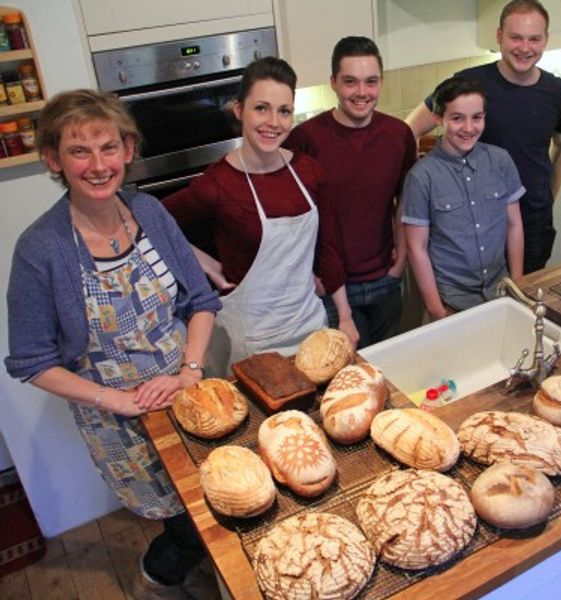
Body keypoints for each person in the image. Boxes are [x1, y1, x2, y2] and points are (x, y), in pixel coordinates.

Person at [4, 89, 221, 598]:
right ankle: (158, 581)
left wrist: (189, 371)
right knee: (185, 525)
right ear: (53, 159)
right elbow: (31, 362)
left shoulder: (149, 212)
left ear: (127, 149)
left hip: (189, 394)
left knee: (211, 502)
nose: (98, 165)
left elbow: (202, 302)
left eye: (109, 147)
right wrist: (116, 399)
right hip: (119, 420)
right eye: (80, 151)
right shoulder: (41, 249)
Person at [163, 57, 358, 374]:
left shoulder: (308, 171)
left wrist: (345, 317)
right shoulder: (218, 183)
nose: (274, 122)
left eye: (284, 111)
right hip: (249, 344)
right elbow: (148, 220)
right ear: (239, 110)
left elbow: (328, 249)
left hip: (311, 331)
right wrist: (201, 261)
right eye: (261, 108)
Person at [405, 0, 561, 274]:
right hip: (471, 230)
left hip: (532, 224)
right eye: (515, 37)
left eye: (534, 39)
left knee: (522, 306)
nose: (525, 48)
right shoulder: (469, 83)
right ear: (499, 36)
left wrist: (549, 193)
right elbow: (408, 129)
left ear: (546, 40)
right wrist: (417, 188)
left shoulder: (557, 91)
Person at [284, 37, 416, 349]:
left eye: (371, 82)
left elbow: (405, 203)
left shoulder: (398, 135)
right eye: (350, 82)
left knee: (388, 370)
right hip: (331, 287)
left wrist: (400, 263)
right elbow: (293, 216)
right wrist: (309, 272)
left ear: (381, 82)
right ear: (333, 82)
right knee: (347, 378)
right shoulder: (305, 139)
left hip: (386, 278)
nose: (361, 92)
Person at [402, 77, 525, 320]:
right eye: (457, 118)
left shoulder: (501, 161)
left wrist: (518, 283)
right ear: (439, 119)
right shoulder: (421, 177)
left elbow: (515, 225)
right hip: (451, 303)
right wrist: (436, 309)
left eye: (477, 117)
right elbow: (417, 249)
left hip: (501, 293)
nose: (469, 128)